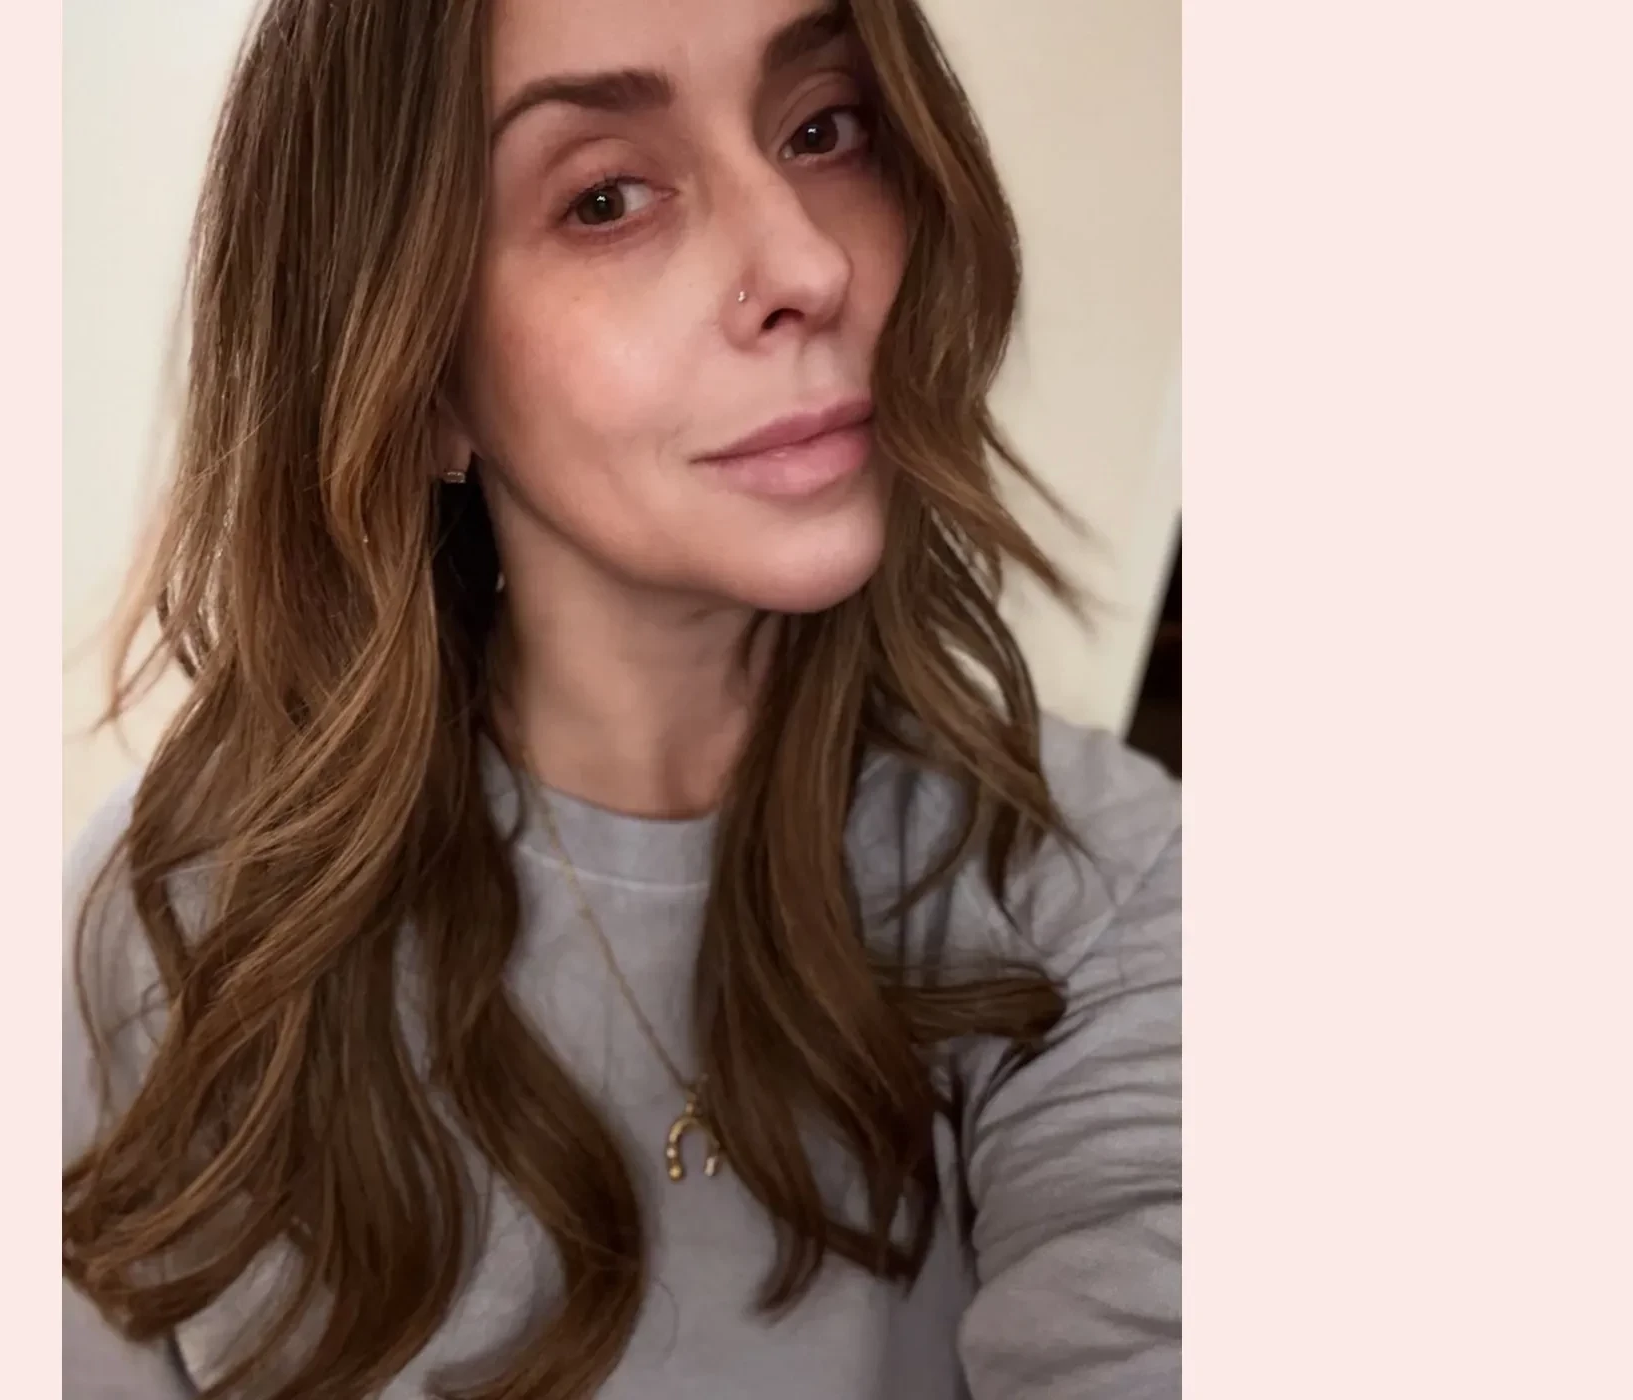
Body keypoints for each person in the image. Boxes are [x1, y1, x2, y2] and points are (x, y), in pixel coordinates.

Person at [62, 0, 1181, 1395]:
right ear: (419, 372)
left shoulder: (1104, 889)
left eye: (824, 129)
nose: (809, 262)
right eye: (604, 199)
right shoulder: (174, 927)